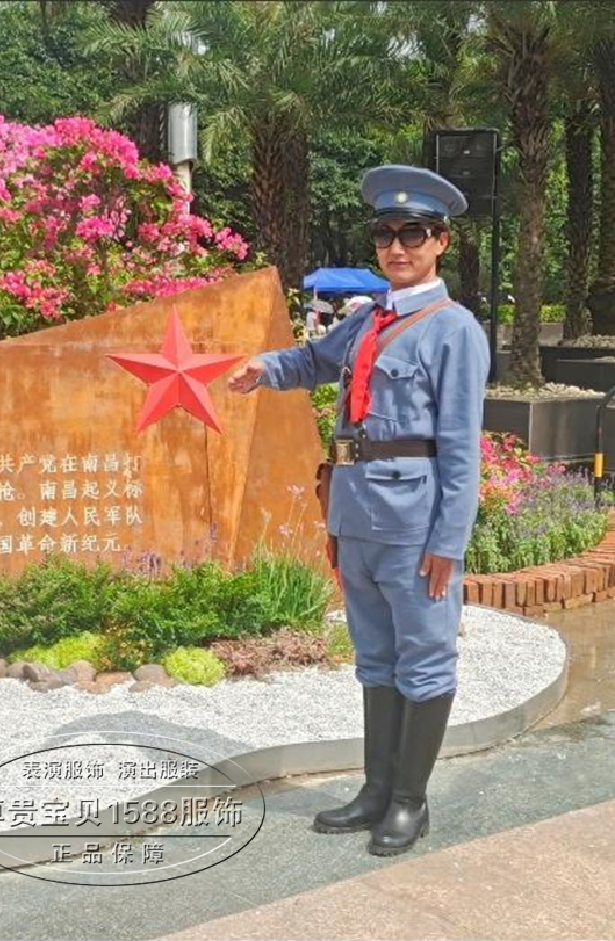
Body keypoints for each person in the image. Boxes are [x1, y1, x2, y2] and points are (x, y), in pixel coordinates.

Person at [228, 165, 489, 856]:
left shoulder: (453, 331)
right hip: (356, 514)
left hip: (414, 521)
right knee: (375, 658)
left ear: (440, 242)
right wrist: (265, 369)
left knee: (425, 659)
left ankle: (409, 802)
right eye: (385, 233)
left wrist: (450, 542)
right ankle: (376, 789)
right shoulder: (367, 318)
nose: (396, 246)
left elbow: (462, 445)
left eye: (412, 233)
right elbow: (314, 361)